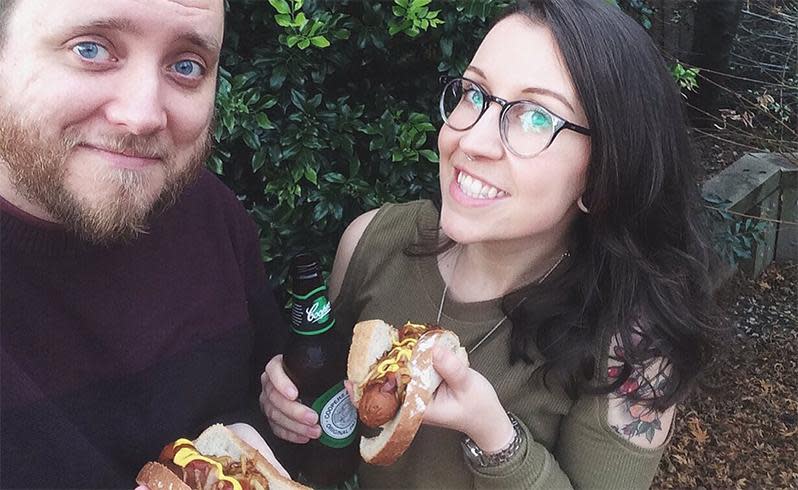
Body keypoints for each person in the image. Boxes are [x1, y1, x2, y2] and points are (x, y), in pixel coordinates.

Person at [260, 0, 721, 487]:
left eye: (536, 117)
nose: (472, 140)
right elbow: (340, 414)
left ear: (605, 174)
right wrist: (292, 406)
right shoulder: (372, 243)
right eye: (474, 94)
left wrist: (495, 437)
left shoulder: (630, 350)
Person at [0, 0, 289, 487]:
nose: (141, 117)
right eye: (90, 49)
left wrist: (272, 416)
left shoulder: (211, 213)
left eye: (186, 66)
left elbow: (262, 391)